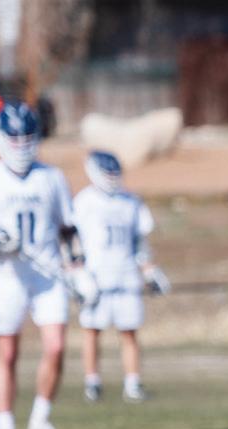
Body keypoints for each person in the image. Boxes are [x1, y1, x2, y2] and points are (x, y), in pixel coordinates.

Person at [0, 102, 97, 429]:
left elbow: (67, 228)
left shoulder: (51, 178)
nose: (21, 146)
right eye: (14, 139)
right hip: (7, 277)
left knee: (56, 347)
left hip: (47, 276)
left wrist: (79, 269)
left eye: (26, 138)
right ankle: (5, 427)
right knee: (7, 352)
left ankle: (40, 419)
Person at [75, 151, 168, 403]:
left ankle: (133, 384)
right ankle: (92, 383)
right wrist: (78, 273)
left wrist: (150, 270)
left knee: (129, 332)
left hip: (126, 275)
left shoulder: (131, 201)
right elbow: (73, 240)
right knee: (92, 330)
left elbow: (139, 242)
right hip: (95, 278)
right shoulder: (84, 202)